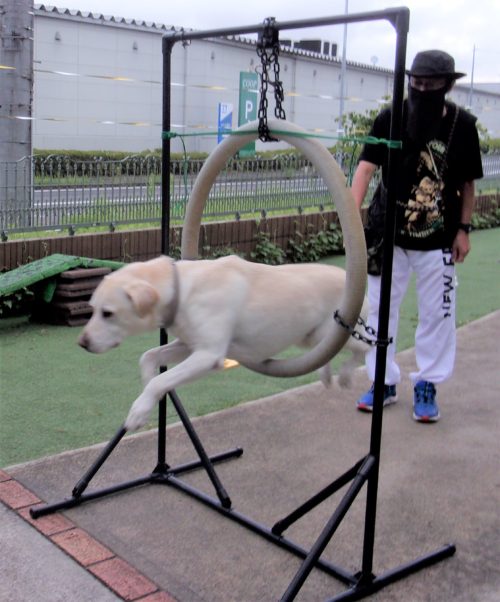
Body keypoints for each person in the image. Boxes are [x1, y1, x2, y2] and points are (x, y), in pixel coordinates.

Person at [350, 49, 483, 423]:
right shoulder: (390, 117)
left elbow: (467, 185)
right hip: (387, 235)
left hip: (438, 238)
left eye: (431, 84)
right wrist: (351, 219)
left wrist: (463, 230)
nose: (422, 90)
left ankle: (427, 383)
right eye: (417, 83)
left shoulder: (462, 125)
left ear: (448, 86)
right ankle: (382, 381)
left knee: (438, 314)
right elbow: (364, 170)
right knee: (378, 311)